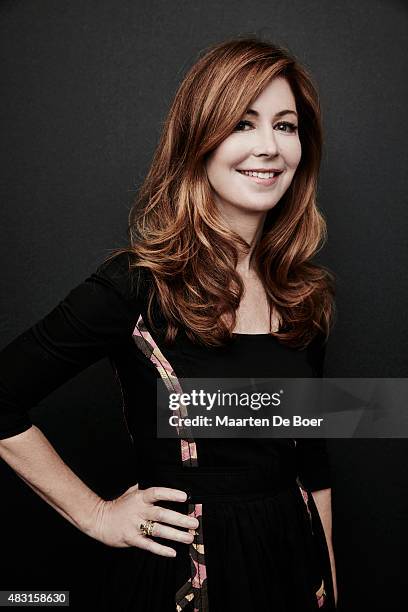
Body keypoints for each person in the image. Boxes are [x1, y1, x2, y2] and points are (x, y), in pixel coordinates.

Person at [0, 37, 337, 610]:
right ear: (199, 142)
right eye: (242, 124)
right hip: (188, 583)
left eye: (286, 126)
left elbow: (313, 460)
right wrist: (97, 514)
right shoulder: (136, 284)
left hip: (291, 568)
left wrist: (329, 586)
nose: (269, 147)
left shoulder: (303, 294)